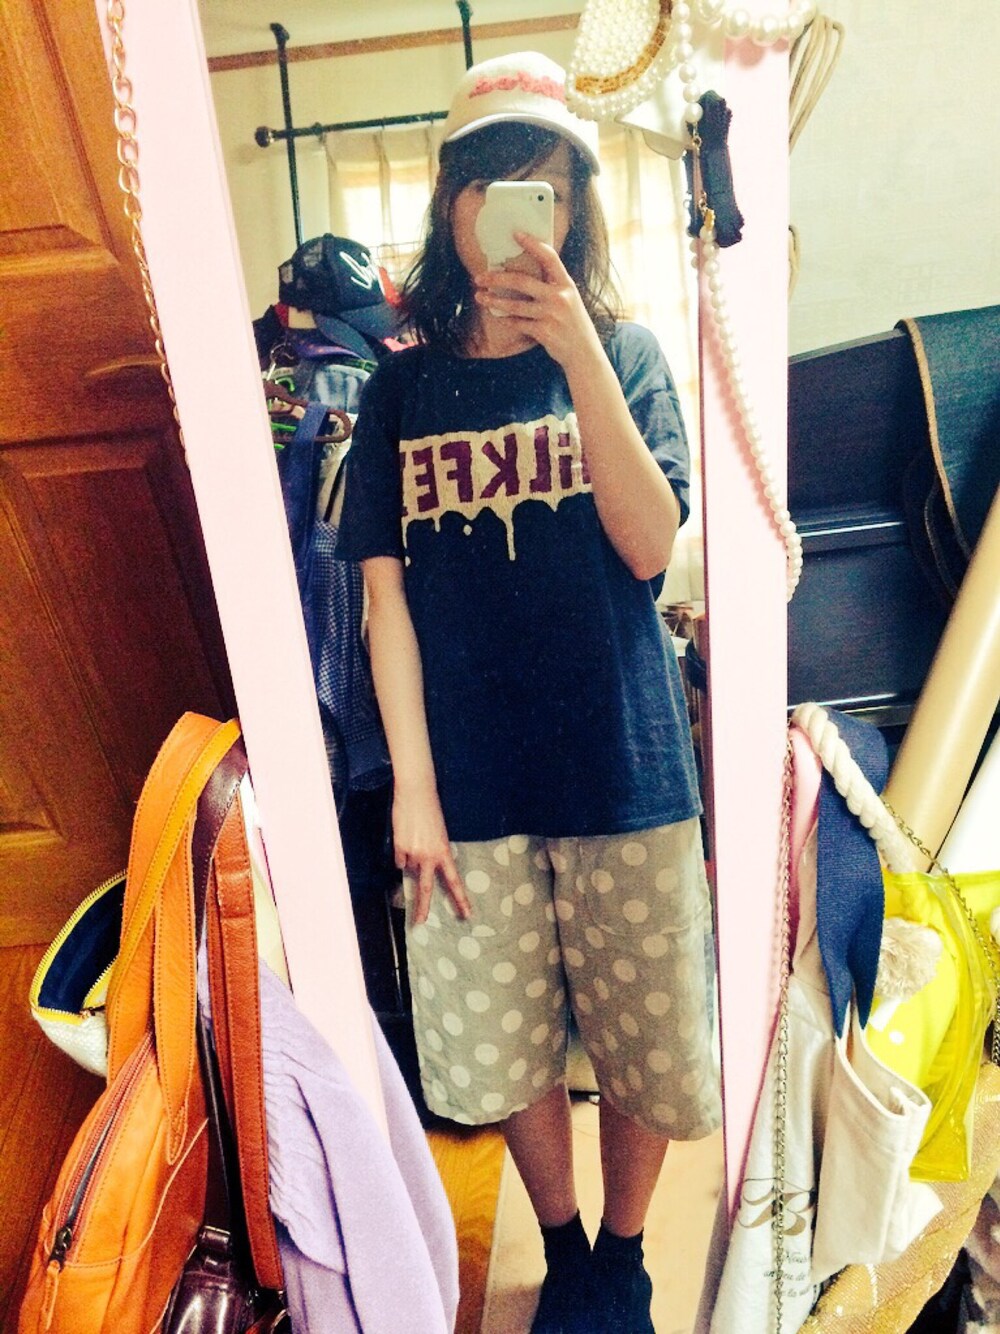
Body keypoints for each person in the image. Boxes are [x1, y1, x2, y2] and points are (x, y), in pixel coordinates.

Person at [335, 49, 721, 1334]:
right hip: (470, 786)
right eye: (492, 185)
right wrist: (414, 791)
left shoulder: (626, 353)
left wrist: (579, 354)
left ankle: (623, 1256)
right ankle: (563, 1251)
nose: (514, 212)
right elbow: (384, 603)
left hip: (624, 766)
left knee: (645, 1037)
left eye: (544, 188)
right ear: (451, 201)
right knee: (504, 1044)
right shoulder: (396, 391)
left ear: (574, 210)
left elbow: (650, 545)